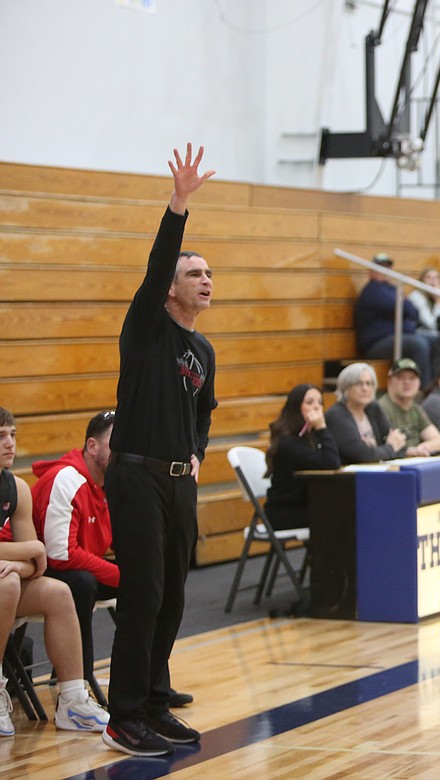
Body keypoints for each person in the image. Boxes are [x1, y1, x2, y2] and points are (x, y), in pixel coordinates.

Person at [101, 144, 216, 756]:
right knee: (143, 593)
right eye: (195, 273)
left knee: (173, 595)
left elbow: (204, 414)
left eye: (208, 274)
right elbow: (156, 266)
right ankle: (122, 717)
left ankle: (153, 700)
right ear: (171, 290)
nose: (206, 280)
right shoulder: (147, 327)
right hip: (137, 475)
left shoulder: (205, 352)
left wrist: (197, 452)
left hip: (178, 480)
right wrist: (179, 206)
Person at [26, 410, 194, 712]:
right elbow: (61, 555)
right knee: (83, 582)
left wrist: (144, 571)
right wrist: (124, 576)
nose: (123, 451)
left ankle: (154, 685)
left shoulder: (113, 482)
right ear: (92, 447)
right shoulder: (66, 478)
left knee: (155, 586)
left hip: (80, 567)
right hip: (42, 571)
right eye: (116, 443)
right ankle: (78, 688)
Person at [1, 407, 111, 737]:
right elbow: (34, 550)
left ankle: (73, 702)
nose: (10, 444)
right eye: (1, 436)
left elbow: (38, 561)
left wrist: (27, 556)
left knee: (58, 592)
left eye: (13, 435)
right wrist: (29, 553)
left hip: (8, 577)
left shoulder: (16, 487)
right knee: (7, 584)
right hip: (5, 584)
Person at [265, 385, 341, 531]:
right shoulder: (288, 442)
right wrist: (322, 428)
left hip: (306, 506)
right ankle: (321, 555)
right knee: (343, 514)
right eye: (310, 402)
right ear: (296, 407)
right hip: (285, 512)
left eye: (320, 402)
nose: (317, 407)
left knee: (347, 508)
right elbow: (331, 463)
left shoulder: (311, 438)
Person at [354, 253, 433, 386]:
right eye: (380, 267)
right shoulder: (372, 290)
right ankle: (422, 389)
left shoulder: (392, 289)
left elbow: (414, 312)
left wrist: (403, 304)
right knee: (418, 344)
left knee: (435, 340)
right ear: (371, 272)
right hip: (376, 344)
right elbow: (398, 308)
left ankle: (435, 385)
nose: (385, 271)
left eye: (387, 267)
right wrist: (403, 303)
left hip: (397, 338)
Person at [324, 363, 406, 464]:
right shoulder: (336, 415)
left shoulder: (373, 408)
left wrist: (389, 449)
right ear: (345, 388)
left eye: (369, 383)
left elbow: (399, 442)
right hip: (350, 475)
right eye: (359, 384)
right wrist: (390, 448)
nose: (365, 388)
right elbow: (362, 455)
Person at [375, 358, 440, 456]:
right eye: (401, 377)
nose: (407, 382)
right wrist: (413, 451)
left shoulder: (415, 408)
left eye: (412, 378)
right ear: (389, 381)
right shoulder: (381, 408)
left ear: (419, 383)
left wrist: (420, 449)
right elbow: (388, 446)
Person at [408, 266, 440, 340]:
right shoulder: (416, 296)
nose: (433, 281)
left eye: (436, 278)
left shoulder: (438, 296)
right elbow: (432, 325)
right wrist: (439, 304)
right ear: (422, 281)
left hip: (431, 333)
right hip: (417, 333)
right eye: (428, 277)